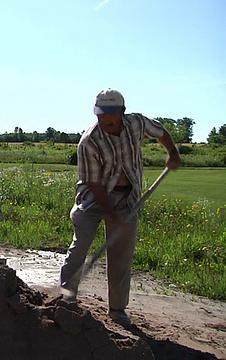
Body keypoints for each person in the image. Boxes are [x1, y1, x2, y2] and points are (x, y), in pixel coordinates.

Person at [59, 88, 182, 328]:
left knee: (121, 256)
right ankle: (66, 298)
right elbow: (93, 183)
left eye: (110, 118)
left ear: (122, 113)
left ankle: (117, 309)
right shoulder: (89, 141)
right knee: (80, 247)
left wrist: (173, 153)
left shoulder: (136, 123)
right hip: (93, 199)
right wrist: (113, 214)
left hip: (128, 198)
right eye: (100, 117)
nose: (104, 123)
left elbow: (161, 132)